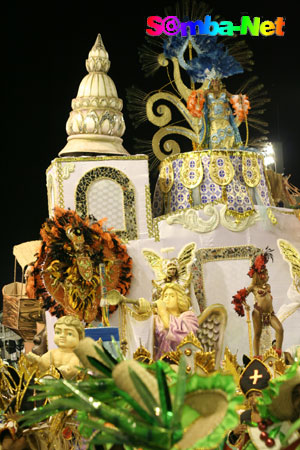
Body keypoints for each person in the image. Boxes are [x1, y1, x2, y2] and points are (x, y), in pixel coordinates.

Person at [137, 282, 199, 360]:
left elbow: (181, 336)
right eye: (165, 296)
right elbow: (144, 334)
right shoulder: (156, 319)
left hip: (184, 362)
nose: (167, 298)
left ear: (179, 298)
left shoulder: (189, 316)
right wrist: (143, 312)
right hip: (161, 362)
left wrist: (163, 312)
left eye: (172, 296)